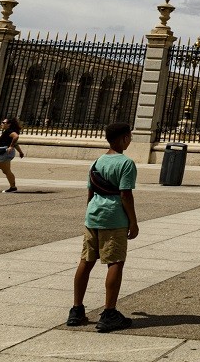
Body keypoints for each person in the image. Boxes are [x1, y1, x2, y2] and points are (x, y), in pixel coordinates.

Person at [67, 122, 139, 332]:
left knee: (86, 261)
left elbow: (90, 193)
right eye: (130, 136)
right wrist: (133, 222)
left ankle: (76, 309)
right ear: (124, 138)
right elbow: (126, 195)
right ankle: (109, 313)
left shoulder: (97, 162)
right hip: (114, 218)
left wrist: (91, 212)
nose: (131, 140)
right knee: (115, 262)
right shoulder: (126, 164)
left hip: (93, 215)